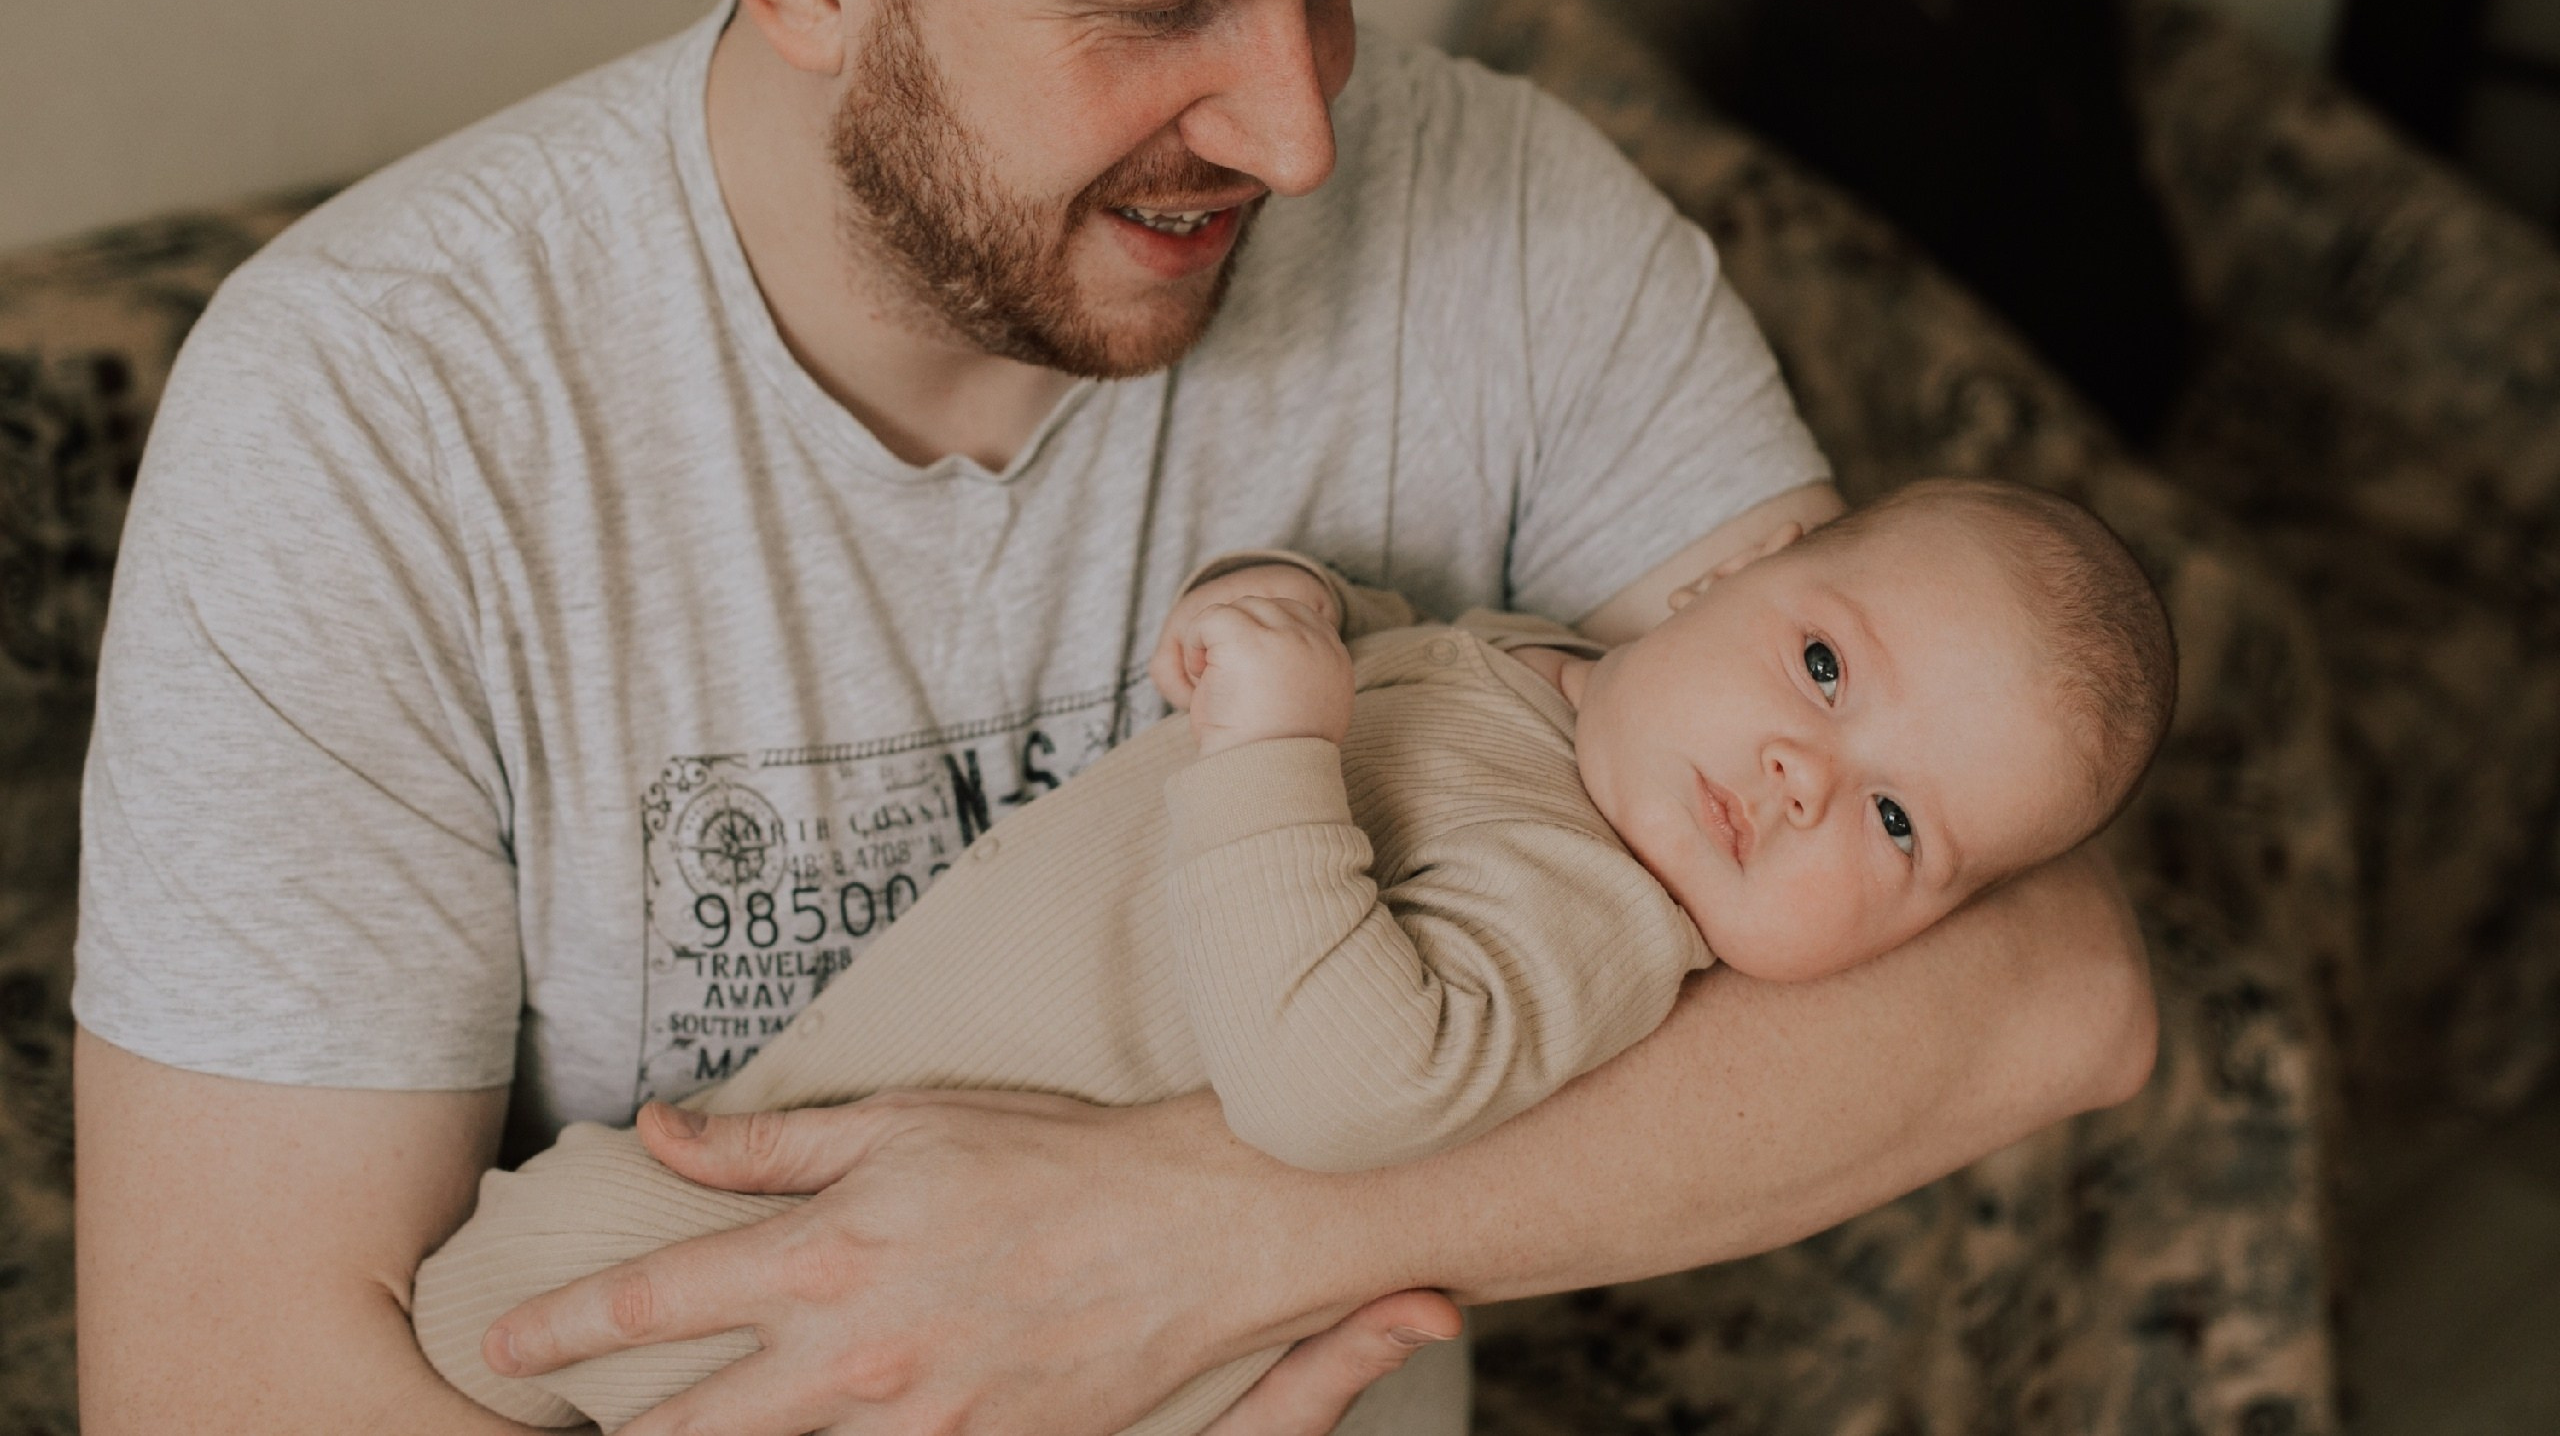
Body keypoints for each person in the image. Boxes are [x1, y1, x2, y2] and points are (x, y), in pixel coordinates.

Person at [71, 0, 2159, 1434]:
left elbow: (2043, 983)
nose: (1297, 136)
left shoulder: (1516, 228)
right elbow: (225, 1388)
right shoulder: (372, 412)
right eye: (1160, 10)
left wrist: (1191, 1240)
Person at [411, 478, 2178, 1435]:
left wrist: (1268, 741)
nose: (1807, 777)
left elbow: (1343, 1091)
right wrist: (1276, 602)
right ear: (1740, 568)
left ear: (1915, 933)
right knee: (485, 1308)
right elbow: (1384, 657)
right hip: (832, 1132)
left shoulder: (1599, 914)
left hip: (1040, 1337)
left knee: (527, 1317)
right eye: (1825, 669)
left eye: (1896, 825)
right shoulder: (1546, 680)